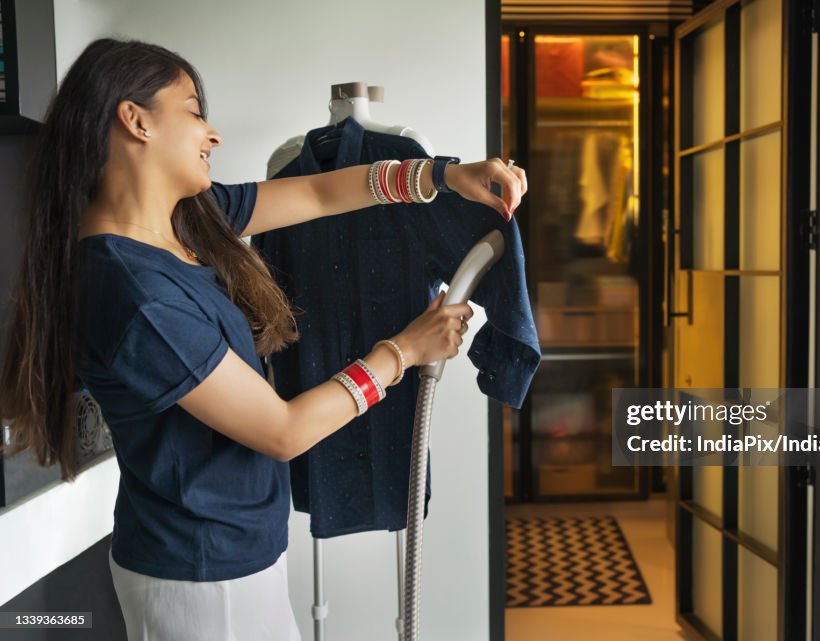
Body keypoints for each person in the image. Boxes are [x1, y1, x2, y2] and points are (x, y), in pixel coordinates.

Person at [0, 38, 527, 641]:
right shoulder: (133, 294)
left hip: (234, 552)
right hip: (198, 579)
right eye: (194, 110)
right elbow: (283, 431)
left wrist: (446, 174)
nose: (212, 133)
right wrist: (404, 352)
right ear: (135, 120)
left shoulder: (183, 223)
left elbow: (319, 194)